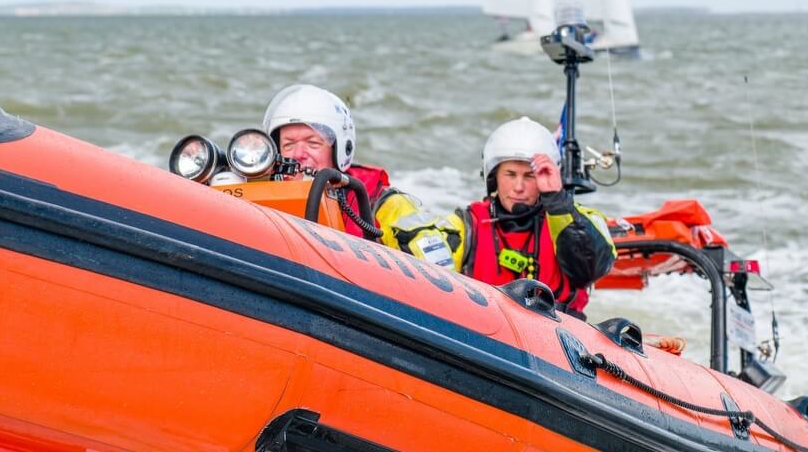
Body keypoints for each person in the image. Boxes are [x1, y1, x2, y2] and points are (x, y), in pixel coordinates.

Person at [435, 117, 616, 316]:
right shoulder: (466, 224)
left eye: (529, 176)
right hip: (483, 329)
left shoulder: (575, 218)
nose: (519, 187)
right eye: (510, 174)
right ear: (494, 178)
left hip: (556, 336)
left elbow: (590, 270)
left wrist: (557, 202)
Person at [263, 84, 450, 260]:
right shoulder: (262, 200)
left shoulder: (385, 205)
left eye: (313, 143)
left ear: (340, 148)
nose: (298, 155)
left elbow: (439, 274)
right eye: (289, 144)